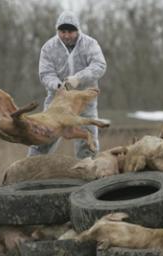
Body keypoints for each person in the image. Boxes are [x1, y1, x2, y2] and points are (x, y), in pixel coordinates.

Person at [28, 10, 107, 159]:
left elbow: (100, 65)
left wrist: (78, 78)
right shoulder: (48, 47)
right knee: (43, 136)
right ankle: (30, 169)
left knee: (88, 138)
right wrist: (58, 86)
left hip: (84, 103)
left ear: (77, 30)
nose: (66, 35)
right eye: (62, 31)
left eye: (70, 31)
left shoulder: (90, 44)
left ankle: (88, 173)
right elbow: (45, 74)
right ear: (57, 31)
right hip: (56, 102)